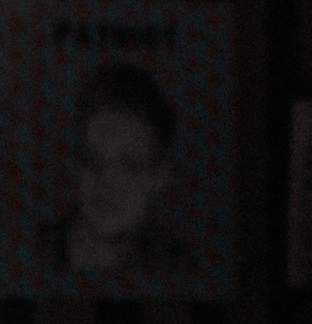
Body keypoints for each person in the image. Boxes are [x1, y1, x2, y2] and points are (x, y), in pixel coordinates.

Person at [40, 57, 196, 291]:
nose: (107, 183)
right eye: (93, 161)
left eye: (129, 166)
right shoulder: (37, 250)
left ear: (158, 177)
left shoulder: (177, 266)